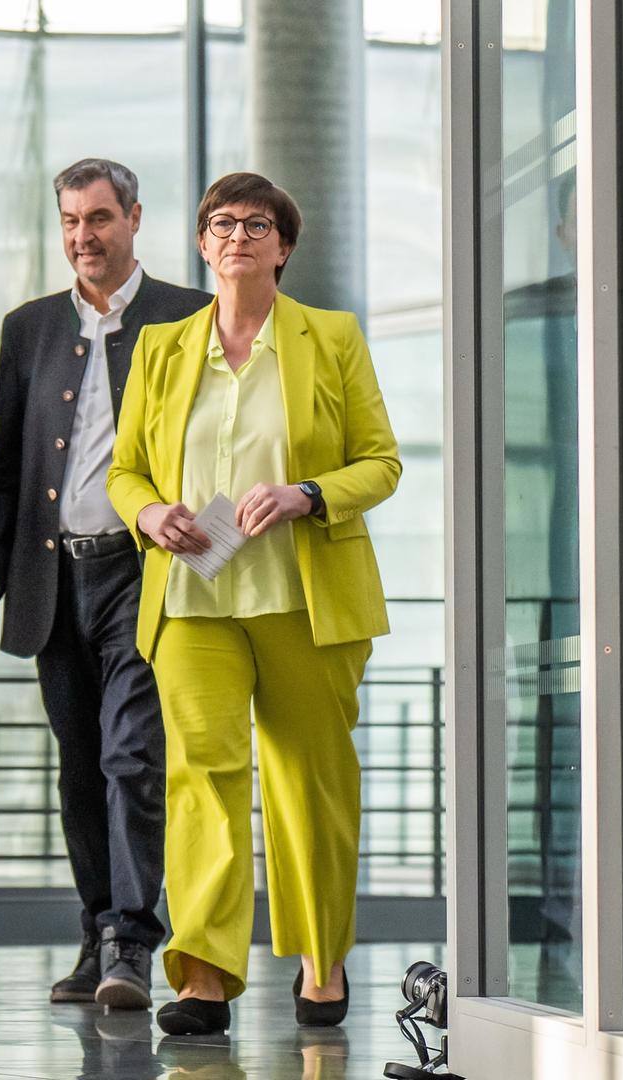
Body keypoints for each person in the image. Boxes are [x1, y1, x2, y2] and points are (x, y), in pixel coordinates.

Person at [105, 172, 400, 1036]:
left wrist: (308, 492)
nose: (238, 235)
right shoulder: (161, 349)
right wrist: (150, 513)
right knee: (203, 780)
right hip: (193, 601)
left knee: (310, 780)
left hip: (306, 601)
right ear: (201, 244)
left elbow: (381, 461)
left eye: (256, 224)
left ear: (284, 246)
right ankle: (204, 976)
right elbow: (124, 472)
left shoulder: (332, 339)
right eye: (221, 223)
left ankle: (320, 961)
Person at [0, 157, 207, 1009]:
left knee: (132, 757)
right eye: (70, 220)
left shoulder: (188, 314)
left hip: (143, 574)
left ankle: (134, 946)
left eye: (99, 218)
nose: (83, 236)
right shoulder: (29, 327)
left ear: (134, 219)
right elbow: (4, 465)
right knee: (79, 766)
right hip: (49, 574)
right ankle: (97, 930)